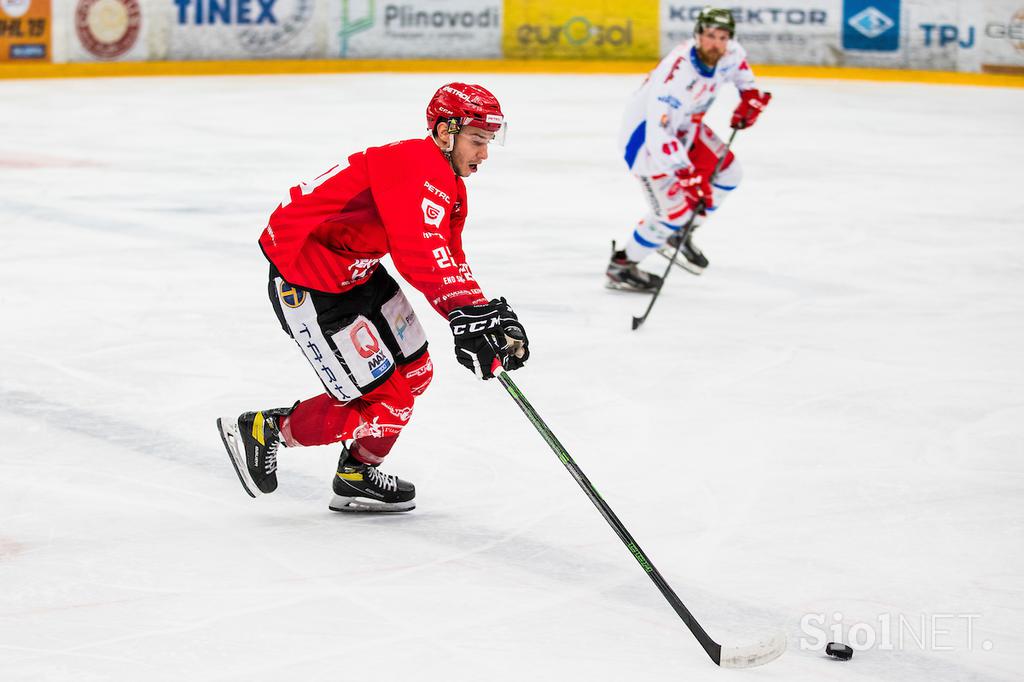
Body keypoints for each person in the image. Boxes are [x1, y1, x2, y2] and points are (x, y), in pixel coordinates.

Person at [217, 83, 529, 513]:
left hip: (358, 271)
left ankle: (356, 475)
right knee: (388, 402)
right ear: (444, 132)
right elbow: (417, 252)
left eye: (489, 141)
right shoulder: (413, 167)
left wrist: (479, 313)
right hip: (309, 280)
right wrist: (465, 314)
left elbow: (448, 255)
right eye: (477, 140)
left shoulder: (448, 183)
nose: (484, 153)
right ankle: (267, 429)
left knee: (415, 374)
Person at [606, 7, 772, 291]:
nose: (716, 43)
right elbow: (659, 133)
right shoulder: (676, 75)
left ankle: (680, 233)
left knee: (729, 174)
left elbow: (743, 73)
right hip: (646, 143)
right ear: (697, 35)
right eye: (709, 35)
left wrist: (749, 98)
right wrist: (686, 175)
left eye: (722, 37)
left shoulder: (730, 52)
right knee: (673, 212)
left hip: (686, 129)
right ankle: (622, 266)